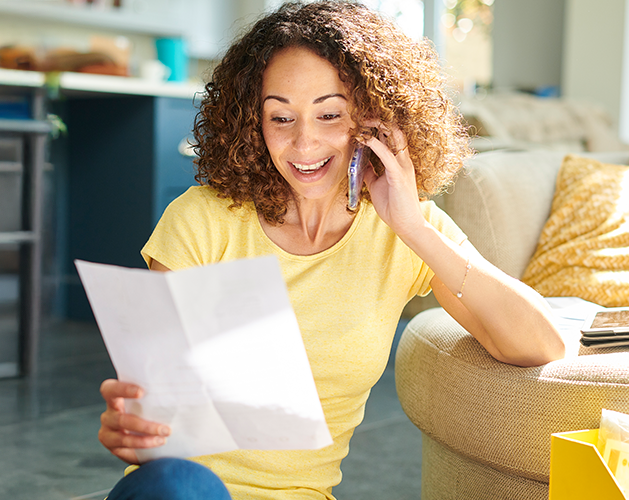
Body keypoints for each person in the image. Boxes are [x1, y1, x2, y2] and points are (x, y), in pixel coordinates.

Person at [96, 2, 568, 498]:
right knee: (179, 482)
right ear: (253, 123)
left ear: (373, 119)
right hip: (181, 490)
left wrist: (414, 228)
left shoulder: (404, 230)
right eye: (281, 117)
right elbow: (151, 395)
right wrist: (128, 423)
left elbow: (543, 345)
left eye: (329, 114)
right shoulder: (205, 219)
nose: (304, 143)